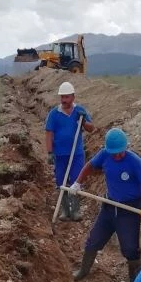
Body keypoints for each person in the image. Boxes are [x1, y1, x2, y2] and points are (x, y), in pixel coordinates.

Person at [68, 128, 141, 282]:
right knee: (94, 240)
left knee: (130, 248)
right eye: (114, 153)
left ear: (125, 147)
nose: (117, 156)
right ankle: (83, 271)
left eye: (120, 152)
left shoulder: (134, 162)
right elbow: (90, 166)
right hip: (109, 206)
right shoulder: (104, 154)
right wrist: (77, 183)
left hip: (129, 210)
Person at [45, 81, 94, 220]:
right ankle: (65, 210)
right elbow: (49, 134)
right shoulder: (54, 114)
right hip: (60, 154)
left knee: (76, 180)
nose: (64, 100)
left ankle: (75, 210)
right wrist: (50, 152)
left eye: (66, 97)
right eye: (62, 97)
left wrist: (83, 121)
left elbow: (91, 128)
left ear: (73, 97)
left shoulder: (80, 111)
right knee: (61, 181)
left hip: (76, 154)